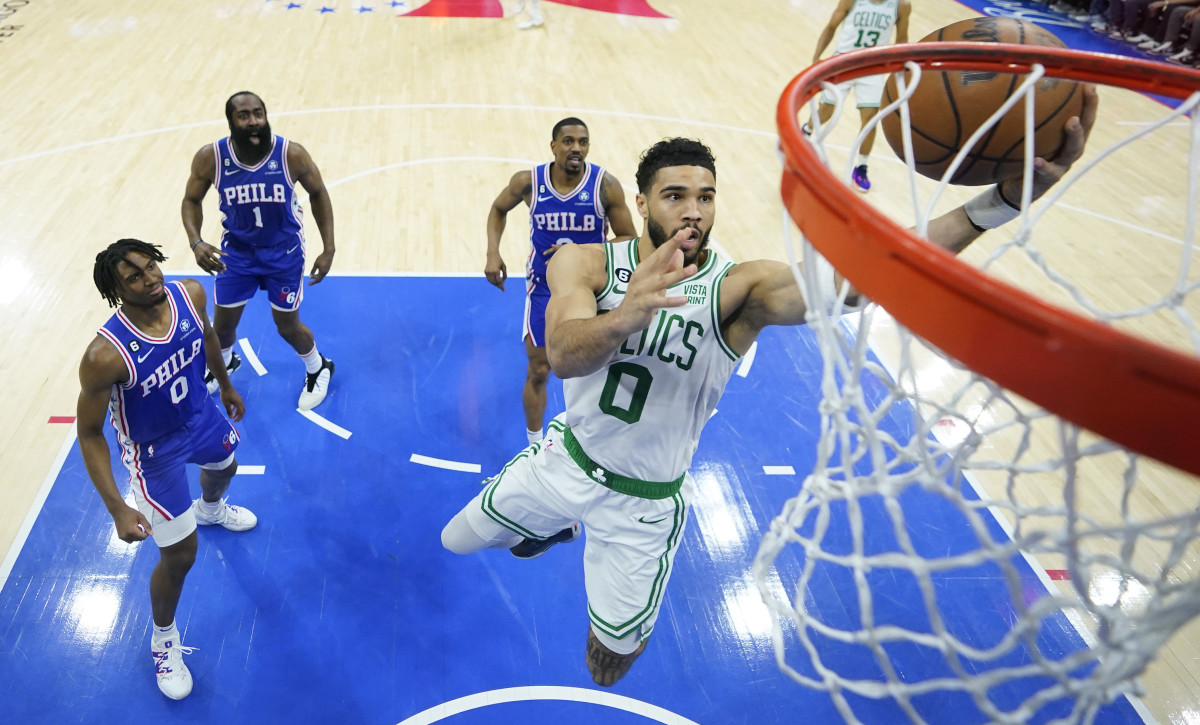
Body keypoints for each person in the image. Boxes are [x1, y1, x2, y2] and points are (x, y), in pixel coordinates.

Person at [443, 88, 1097, 688]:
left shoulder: (740, 289)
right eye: (675, 195)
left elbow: (868, 271)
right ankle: (548, 524)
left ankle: (573, 549)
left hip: (643, 506)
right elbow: (562, 353)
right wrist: (626, 316)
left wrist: (997, 203)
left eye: (705, 196)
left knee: (607, 664)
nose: (693, 211)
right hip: (566, 462)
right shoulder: (583, 261)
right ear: (642, 204)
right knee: (456, 538)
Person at [77, 239, 258, 700]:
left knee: (225, 468)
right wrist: (117, 507)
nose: (150, 277)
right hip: (154, 453)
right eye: (134, 276)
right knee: (179, 557)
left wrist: (227, 385)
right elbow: (91, 433)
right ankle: (163, 640)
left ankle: (211, 509)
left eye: (150, 265)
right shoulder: (105, 356)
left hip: (200, 414)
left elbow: (210, 338)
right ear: (117, 290)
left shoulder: (190, 294)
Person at [484, 117, 637, 445]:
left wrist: (580, 252)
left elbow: (628, 237)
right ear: (553, 146)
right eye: (568, 141)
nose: (576, 148)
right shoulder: (528, 182)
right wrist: (492, 252)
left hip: (592, 289)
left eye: (583, 142)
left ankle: (599, 440)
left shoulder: (604, 185)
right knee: (539, 369)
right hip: (544, 288)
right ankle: (535, 445)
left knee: (599, 369)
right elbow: (498, 209)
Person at [182, 91, 336, 411]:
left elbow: (319, 193)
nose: (253, 122)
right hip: (237, 254)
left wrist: (328, 248)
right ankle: (224, 366)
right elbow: (191, 200)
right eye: (244, 116)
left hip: (283, 253)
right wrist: (196, 241)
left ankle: (318, 367)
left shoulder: (290, 154)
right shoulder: (210, 158)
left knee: (287, 326)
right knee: (222, 325)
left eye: (258, 114)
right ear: (231, 122)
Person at [803, 0, 911, 193]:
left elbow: (902, 39)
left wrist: (898, 70)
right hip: (843, 62)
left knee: (870, 119)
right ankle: (808, 131)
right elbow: (831, 26)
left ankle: (861, 166)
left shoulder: (901, 5)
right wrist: (816, 57)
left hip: (874, 68)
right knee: (827, 110)